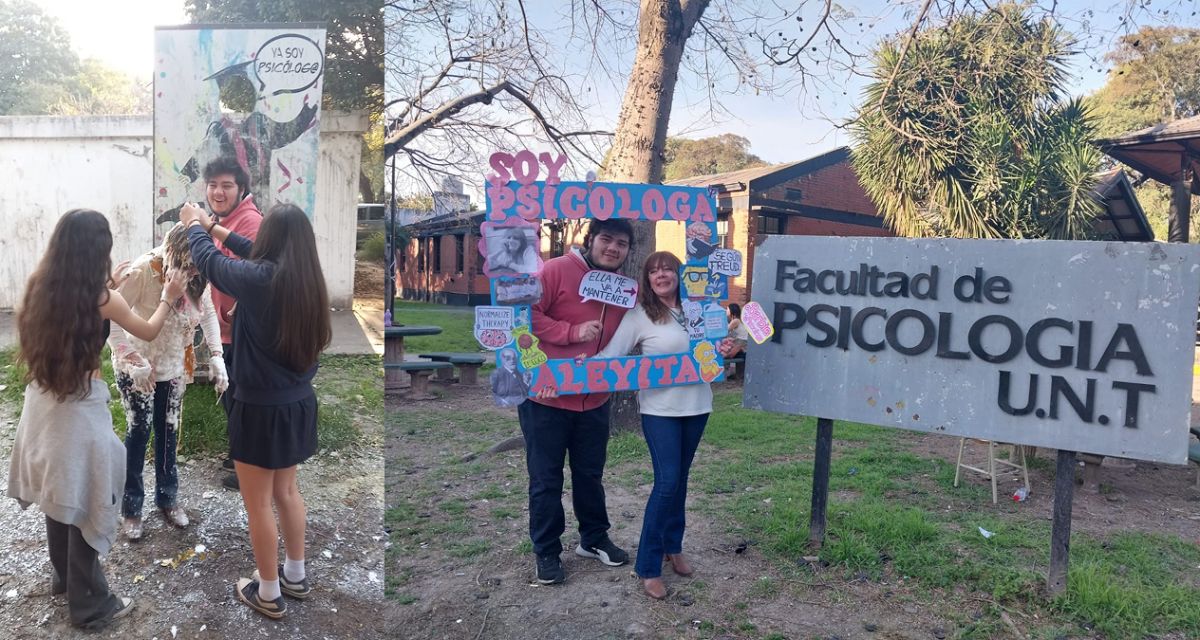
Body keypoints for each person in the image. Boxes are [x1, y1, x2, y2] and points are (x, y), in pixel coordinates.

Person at [8, 209, 185, 628]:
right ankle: (89, 605)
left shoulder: (40, 287)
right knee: (92, 491)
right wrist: (169, 296)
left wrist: (110, 287)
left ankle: (64, 577)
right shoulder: (103, 301)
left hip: (42, 404)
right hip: (80, 415)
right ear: (97, 252)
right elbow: (147, 330)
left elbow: (75, 313)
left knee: (59, 488)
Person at [180, 201, 331, 620]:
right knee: (286, 492)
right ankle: (295, 576)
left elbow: (211, 264)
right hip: (297, 402)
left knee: (259, 504)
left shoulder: (262, 280)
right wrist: (216, 227)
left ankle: (267, 592)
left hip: (259, 409)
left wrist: (195, 226)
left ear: (271, 242)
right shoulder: (306, 278)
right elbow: (249, 251)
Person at [593, 251, 734, 600]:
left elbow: (714, 351)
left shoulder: (701, 310)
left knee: (681, 480)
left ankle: (674, 545)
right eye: (653, 270)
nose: (661, 275)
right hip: (660, 411)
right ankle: (649, 565)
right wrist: (583, 366)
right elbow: (611, 357)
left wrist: (726, 347)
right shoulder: (640, 316)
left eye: (667, 268)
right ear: (647, 279)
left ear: (680, 274)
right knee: (667, 482)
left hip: (698, 406)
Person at [522, 218, 634, 585]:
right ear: (590, 240)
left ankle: (594, 538)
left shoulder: (624, 290)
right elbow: (524, 315)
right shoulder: (555, 270)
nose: (613, 248)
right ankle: (547, 551)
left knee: (590, 475)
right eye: (606, 239)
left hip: (595, 399)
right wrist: (572, 333)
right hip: (546, 398)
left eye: (622, 243)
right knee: (546, 479)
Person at [108, 223, 229, 541]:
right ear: (172, 254)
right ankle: (131, 508)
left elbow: (207, 313)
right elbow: (111, 318)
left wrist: (216, 354)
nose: (190, 272)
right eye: (185, 265)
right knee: (139, 431)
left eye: (195, 266)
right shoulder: (145, 269)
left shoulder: (197, 270)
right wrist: (131, 359)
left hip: (174, 365)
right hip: (139, 366)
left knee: (168, 432)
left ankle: (168, 498)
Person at [202, 156, 264, 492]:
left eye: (226, 185)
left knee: (242, 397)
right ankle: (240, 452)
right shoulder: (221, 219)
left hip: (241, 331)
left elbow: (240, 277)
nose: (218, 192)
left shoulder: (248, 222)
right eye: (213, 185)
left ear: (241, 189)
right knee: (233, 395)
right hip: (224, 328)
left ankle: (249, 466)